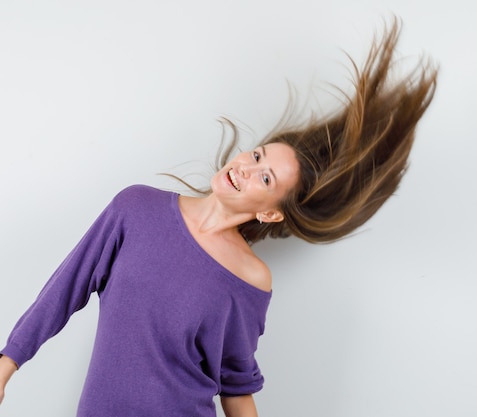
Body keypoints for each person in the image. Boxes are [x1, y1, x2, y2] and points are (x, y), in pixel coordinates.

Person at [0, 18, 437, 417]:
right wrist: (7, 364)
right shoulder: (135, 209)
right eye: (258, 155)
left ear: (269, 211)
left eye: (264, 177)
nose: (245, 167)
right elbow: (63, 291)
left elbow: (236, 385)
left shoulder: (250, 279)